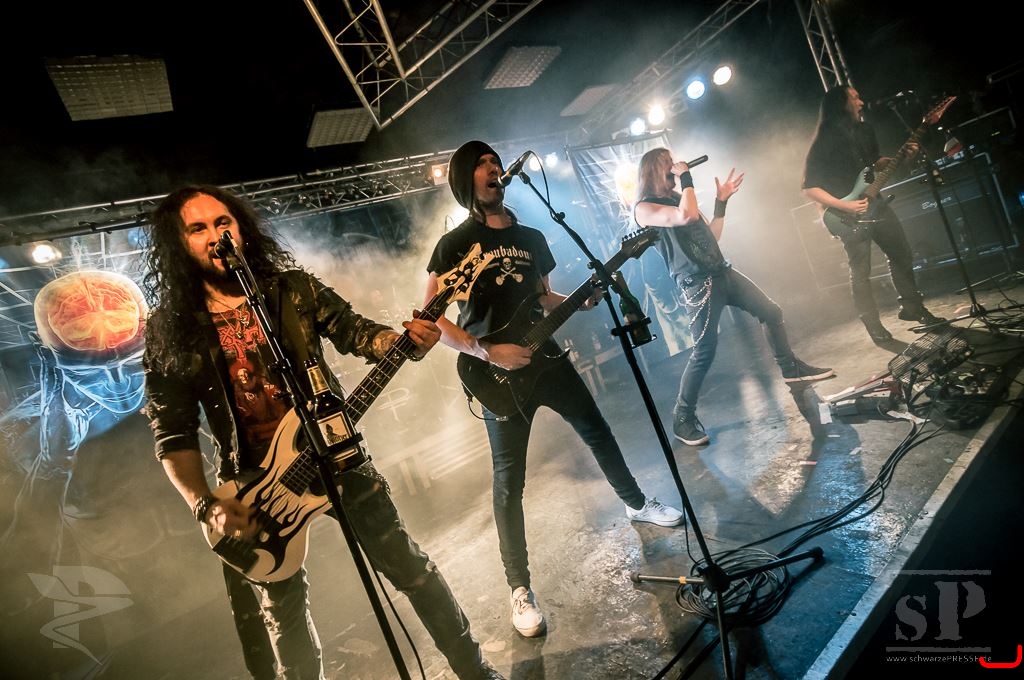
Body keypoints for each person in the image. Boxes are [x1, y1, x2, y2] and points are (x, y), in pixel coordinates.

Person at [142, 185, 502, 680]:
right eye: (198, 229)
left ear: (240, 228)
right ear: (179, 245)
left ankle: (475, 671)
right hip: (253, 489)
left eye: (223, 222)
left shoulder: (293, 290)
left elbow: (357, 332)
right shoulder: (173, 328)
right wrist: (204, 504)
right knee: (285, 614)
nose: (215, 235)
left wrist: (402, 342)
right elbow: (172, 433)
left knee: (410, 569)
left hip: (338, 457)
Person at [423, 141, 684, 639]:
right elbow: (431, 320)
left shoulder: (532, 236)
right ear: (464, 180)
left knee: (597, 430)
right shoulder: (453, 245)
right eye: (482, 165)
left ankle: (635, 503)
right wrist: (486, 351)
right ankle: (519, 589)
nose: (494, 169)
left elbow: (543, 298)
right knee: (509, 481)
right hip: (495, 374)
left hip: (545, 357)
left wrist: (581, 300)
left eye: (495, 162)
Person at [633, 148, 835, 447]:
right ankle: (682, 417)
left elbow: (711, 237)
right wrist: (686, 177)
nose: (674, 165)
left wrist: (721, 203)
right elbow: (686, 217)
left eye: (674, 162)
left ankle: (791, 369)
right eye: (667, 162)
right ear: (652, 169)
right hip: (697, 283)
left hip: (722, 272)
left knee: (771, 311)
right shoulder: (644, 208)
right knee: (705, 350)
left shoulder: (681, 198)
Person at [802, 85, 945, 342]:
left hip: (875, 202)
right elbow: (809, 187)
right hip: (847, 213)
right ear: (841, 103)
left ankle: (912, 307)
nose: (861, 102)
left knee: (901, 252)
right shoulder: (824, 141)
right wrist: (844, 205)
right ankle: (872, 324)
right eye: (855, 97)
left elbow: (874, 162)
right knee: (861, 271)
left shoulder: (865, 129)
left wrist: (900, 157)